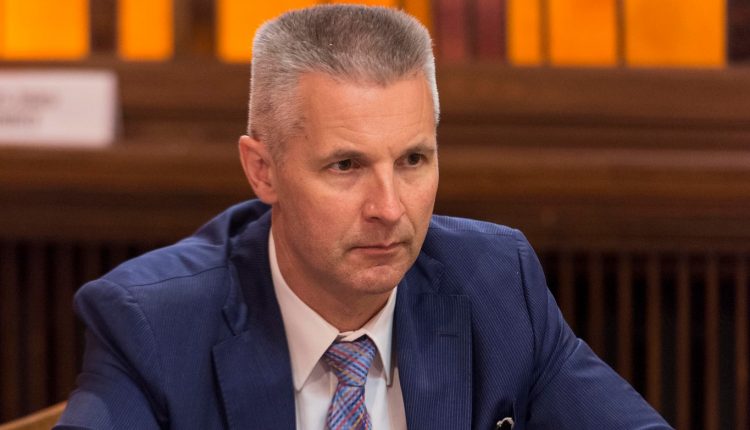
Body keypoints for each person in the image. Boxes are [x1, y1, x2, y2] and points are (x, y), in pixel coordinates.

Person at [56, 5, 672, 430]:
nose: (389, 208)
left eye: (412, 160)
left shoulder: (495, 283)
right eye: (346, 165)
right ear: (262, 170)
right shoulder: (152, 324)